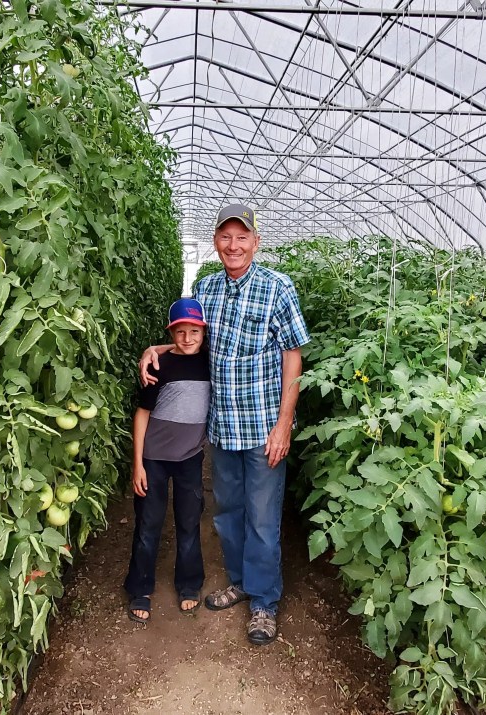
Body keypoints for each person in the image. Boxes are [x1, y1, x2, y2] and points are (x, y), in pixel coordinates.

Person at [140, 203, 310, 646]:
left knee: (262, 518)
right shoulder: (207, 288)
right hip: (221, 428)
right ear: (216, 241)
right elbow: (191, 338)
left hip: (262, 426)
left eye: (242, 237)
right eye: (225, 237)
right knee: (228, 515)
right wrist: (155, 349)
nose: (233, 245)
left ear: (256, 240)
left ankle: (264, 603)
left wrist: (284, 424)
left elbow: (294, 355)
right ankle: (240, 580)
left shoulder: (278, 287)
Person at [124, 298, 211, 623]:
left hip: (190, 459)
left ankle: (189, 584)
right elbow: (143, 414)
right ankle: (140, 588)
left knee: (189, 523)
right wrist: (138, 464)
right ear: (171, 332)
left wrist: (153, 346)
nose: (187, 338)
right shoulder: (159, 367)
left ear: (204, 332)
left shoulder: (210, 362)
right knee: (148, 525)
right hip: (154, 460)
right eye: (180, 332)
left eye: (194, 331)